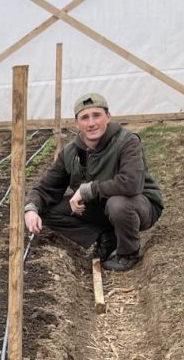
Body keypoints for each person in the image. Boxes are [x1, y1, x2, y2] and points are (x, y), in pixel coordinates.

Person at [23, 91, 163, 271]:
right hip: (100, 207)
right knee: (46, 209)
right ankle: (105, 235)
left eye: (96, 115)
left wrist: (87, 190)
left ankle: (128, 253)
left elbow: (132, 183)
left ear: (108, 117)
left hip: (139, 206)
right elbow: (45, 189)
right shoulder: (70, 152)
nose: (91, 123)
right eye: (85, 117)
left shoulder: (127, 142)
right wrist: (31, 209)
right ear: (77, 123)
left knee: (118, 204)